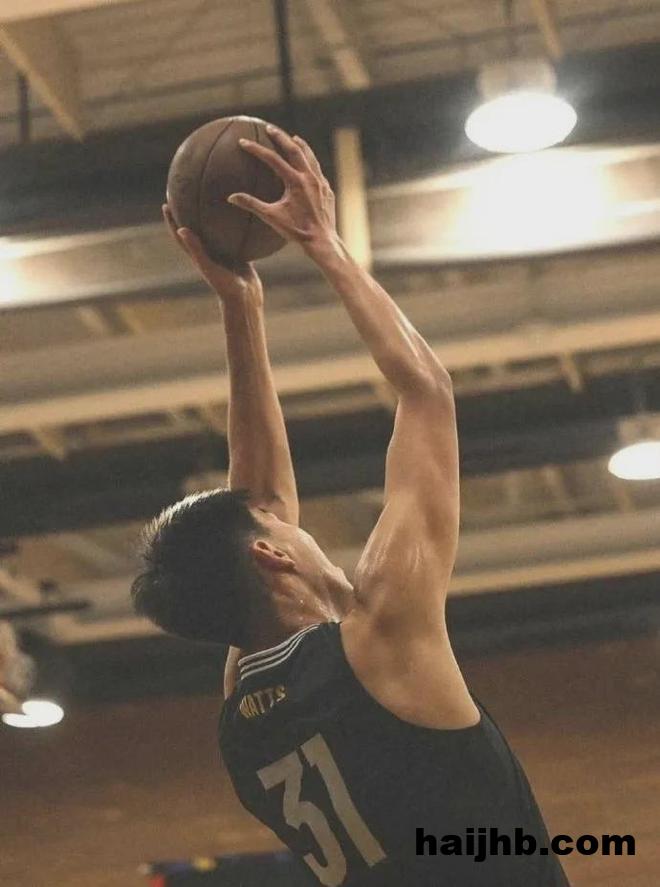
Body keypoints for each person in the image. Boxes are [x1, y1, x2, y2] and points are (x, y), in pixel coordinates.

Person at [132, 125, 570, 886]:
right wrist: (325, 246)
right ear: (270, 552)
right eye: (276, 524)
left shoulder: (244, 711)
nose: (286, 515)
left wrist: (241, 304)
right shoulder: (384, 637)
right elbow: (426, 394)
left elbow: (257, 498)